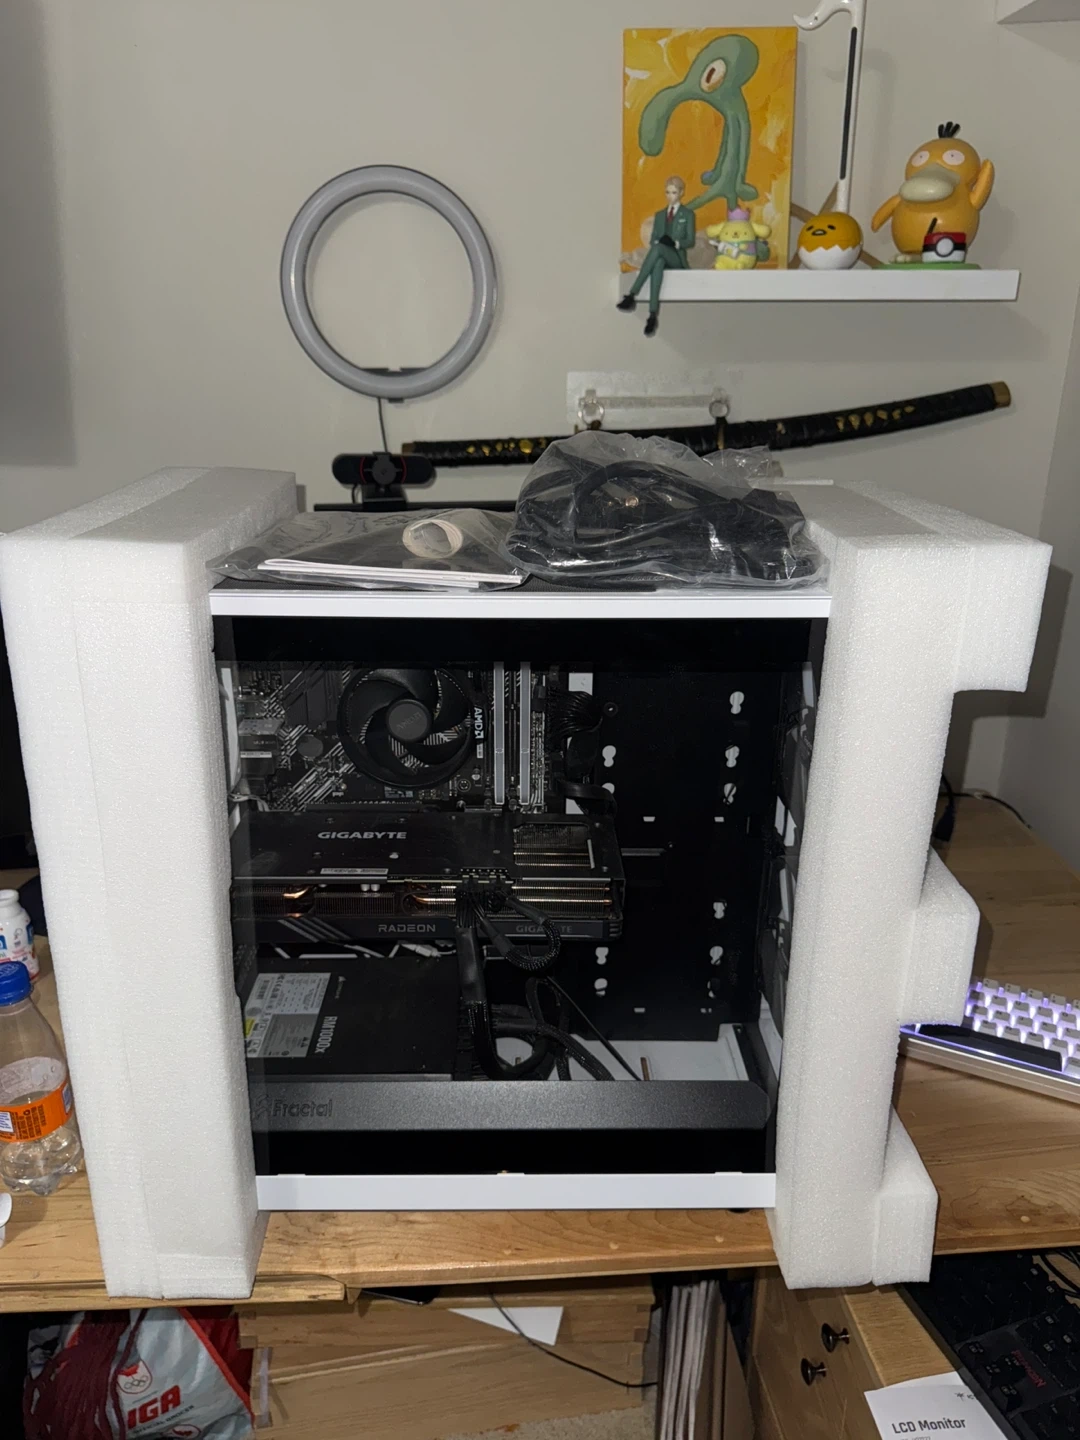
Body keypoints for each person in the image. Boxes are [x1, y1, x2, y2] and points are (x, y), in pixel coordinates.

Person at [617, 177, 695, 337]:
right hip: (661, 254)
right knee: (658, 262)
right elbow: (653, 239)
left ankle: (632, 294)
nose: (670, 196)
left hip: (677, 258)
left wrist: (675, 243)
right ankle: (652, 315)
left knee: (658, 250)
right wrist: (659, 241)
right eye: (667, 192)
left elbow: (690, 240)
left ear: (681, 193)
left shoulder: (687, 214)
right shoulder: (659, 215)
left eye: (674, 192)